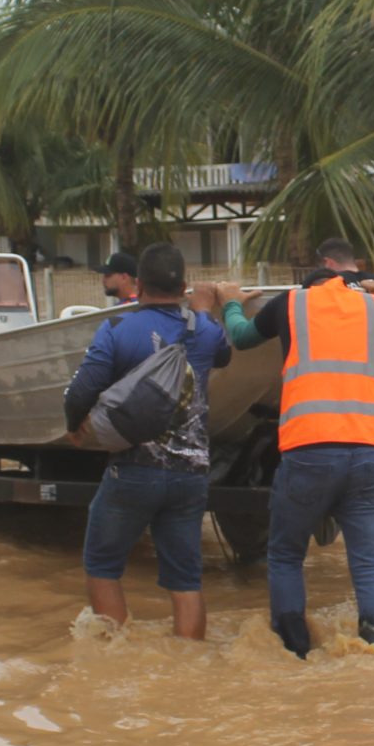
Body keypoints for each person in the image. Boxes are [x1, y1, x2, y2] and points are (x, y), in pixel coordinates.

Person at [214, 266, 374, 658]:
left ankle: (294, 651)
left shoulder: (292, 303)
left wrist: (231, 302)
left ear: (309, 287)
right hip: (372, 451)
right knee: (371, 565)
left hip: (309, 450)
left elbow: (241, 336)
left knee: (286, 554)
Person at [63, 243, 233, 640]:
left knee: (103, 566)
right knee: (186, 580)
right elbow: (223, 355)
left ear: (138, 285)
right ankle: (188, 663)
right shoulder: (205, 331)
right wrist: (204, 310)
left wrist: (75, 425)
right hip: (190, 475)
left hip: (134, 470)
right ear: (185, 286)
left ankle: (118, 658)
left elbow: (80, 391)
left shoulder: (119, 329)